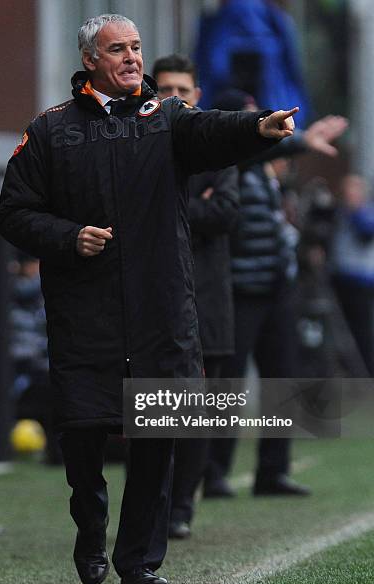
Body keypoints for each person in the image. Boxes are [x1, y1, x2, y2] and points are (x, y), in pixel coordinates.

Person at [0, 14, 298, 584]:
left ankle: (139, 561)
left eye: (137, 47)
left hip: (161, 310)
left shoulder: (165, 118)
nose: (133, 58)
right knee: (83, 433)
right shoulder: (51, 132)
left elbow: (212, 130)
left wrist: (258, 127)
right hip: (85, 314)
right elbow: (13, 212)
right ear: (91, 60)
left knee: (158, 433)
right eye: (118, 49)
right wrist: (68, 237)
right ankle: (90, 526)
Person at [203, 90, 347, 498]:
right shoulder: (226, 159)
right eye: (251, 117)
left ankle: (273, 471)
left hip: (276, 288)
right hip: (239, 290)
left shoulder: (262, 171)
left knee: (282, 378)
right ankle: (212, 472)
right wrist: (299, 141)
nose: (259, 123)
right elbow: (254, 152)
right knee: (225, 386)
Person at [152, 53, 240, 539]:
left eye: (182, 90)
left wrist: (169, 209)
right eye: (166, 90)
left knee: (197, 412)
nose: (175, 98)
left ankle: (182, 505)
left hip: (207, 300)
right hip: (156, 302)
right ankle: (155, 506)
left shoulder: (217, 150)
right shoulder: (140, 146)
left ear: (197, 96)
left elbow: (226, 212)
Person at [330, 174, 374, 376]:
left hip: (360, 282)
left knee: (361, 331)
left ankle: (365, 374)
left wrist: (354, 209)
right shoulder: (339, 213)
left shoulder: (365, 213)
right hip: (338, 278)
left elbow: (366, 231)